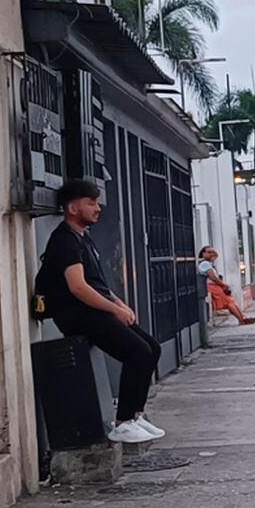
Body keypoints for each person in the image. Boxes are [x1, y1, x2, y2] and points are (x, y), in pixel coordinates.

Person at [36, 180, 164, 444]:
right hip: (78, 315)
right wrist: (113, 310)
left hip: (95, 310)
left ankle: (135, 415)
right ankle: (123, 422)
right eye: (91, 203)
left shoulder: (83, 238)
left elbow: (97, 283)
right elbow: (78, 287)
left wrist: (120, 304)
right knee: (138, 352)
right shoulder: (64, 241)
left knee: (152, 348)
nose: (98, 208)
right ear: (73, 208)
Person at [198, 247, 255, 325]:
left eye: (212, 252)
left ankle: (243, 318)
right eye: (209, 252)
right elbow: (213, 277)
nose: (211, 254)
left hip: (215, 287)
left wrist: (213, 251)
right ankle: (242, 319)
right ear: (203, 253)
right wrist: (223, 285)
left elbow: (216, 256)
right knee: (229, 302)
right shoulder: (205, 264)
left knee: (231, 301)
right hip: (212, 287)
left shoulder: (209, 263)